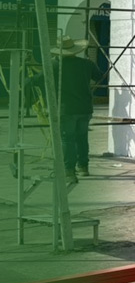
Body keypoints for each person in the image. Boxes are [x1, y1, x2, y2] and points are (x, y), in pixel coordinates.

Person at [39, 36, 101, 184]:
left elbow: (39, 79)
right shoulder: (87, 64)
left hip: (66, 109)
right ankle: (83, 167)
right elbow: (99, 76)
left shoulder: (55, 65)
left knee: (67, 139)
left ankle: (69, 170)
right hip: (85, 108)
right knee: (82, 138)